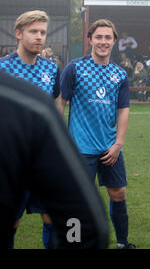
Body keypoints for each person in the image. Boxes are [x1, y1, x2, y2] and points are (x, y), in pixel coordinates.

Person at [0, 71, 109, 249]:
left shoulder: (32, 102)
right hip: (69, 146)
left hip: (65, 149)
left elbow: (78, 220)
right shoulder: (29, 105)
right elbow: (83, 222)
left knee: (47, 216)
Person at [60, 19, 136, 249]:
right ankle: (73, 243)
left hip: (109, 148)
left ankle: (122, 243)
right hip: (80, 148)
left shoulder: (119, 74)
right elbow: (60, 102)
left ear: (114, 41)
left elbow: (123, 110)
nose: (103, 42)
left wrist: (118, 144)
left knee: (118, 193)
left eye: (108, 38)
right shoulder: (75, 68)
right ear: (90, 39)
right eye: (99, 37)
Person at [0, 10, 62, 249]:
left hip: (43, 160)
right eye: (33, 32)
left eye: (43, 32)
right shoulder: (4, 68)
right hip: (12, 161)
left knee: (51, 217)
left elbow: (56, 101)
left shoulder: (51, 69)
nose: (39, 37)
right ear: (18, 34)